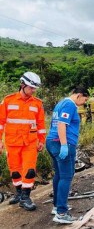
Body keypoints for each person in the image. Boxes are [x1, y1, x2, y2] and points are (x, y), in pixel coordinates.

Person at [0, 72, 46, 211]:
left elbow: (41, 124)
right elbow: (0, 122)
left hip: (30, 143)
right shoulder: (8, 101)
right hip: (12, 142)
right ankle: (19, 194)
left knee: (29, 170)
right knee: (15, 170)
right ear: (23, 85)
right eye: (31, 88)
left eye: (34, 88)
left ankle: (25, 198)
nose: (33, 91)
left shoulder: (37, 103)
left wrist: (41, 140)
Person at [46, 86, 90, 224]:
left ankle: (57, 206)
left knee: (59, 175)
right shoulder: (70, 105)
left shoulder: (61, 103)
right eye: (85, 99)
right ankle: (62, 213)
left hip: (52, 142)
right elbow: (61, 124)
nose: (84, 102)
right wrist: (64, 145)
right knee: (66, 176)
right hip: (61, 143)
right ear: (79, 95)